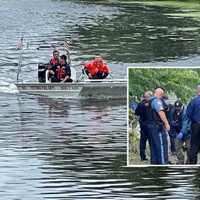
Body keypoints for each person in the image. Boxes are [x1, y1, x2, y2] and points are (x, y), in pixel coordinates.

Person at [147, 87, 170, 164]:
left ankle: (154, 166)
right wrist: (166, 123)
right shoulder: (157, 101)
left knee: (154, 148)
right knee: (161, 147)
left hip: (150, 128)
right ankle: (163, 165)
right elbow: (161, 112)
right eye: (162, 94)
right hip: (157, 128)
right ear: (160, 94)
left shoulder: (149, 101)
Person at [135, 91, 153, 161]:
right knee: (152, 141)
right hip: (150, 125)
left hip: (142, 125)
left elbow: (136, 113)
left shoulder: (140, 104)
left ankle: (142, 157)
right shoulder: (152, 104)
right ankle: (153, 156)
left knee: (142, 141)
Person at [186, 85, 200, 164]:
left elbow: (188, 114)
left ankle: (193, 165)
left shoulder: (194, 101)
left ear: (197, 91)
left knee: (194, 145)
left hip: (196, 125)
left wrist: (194, 120)